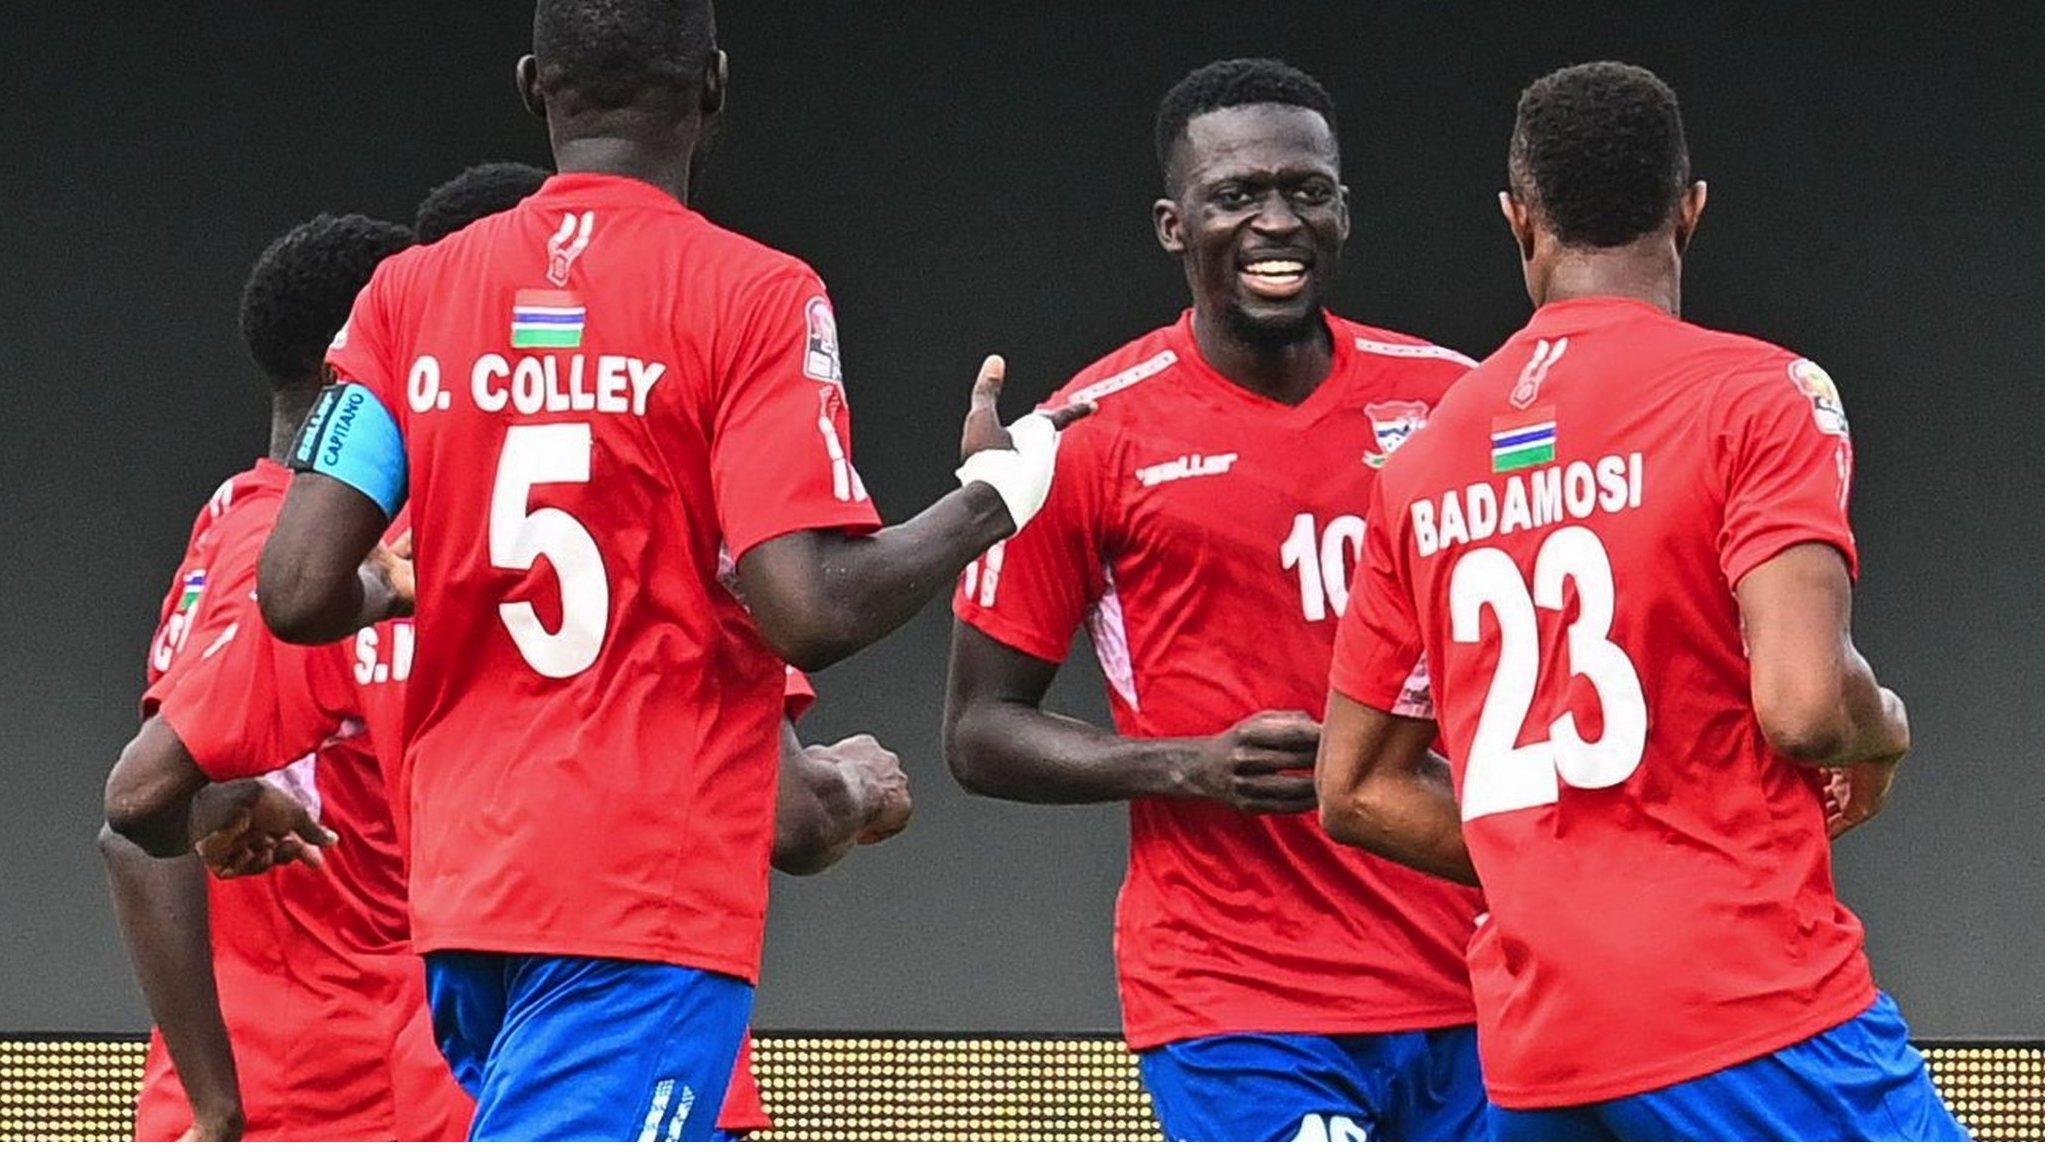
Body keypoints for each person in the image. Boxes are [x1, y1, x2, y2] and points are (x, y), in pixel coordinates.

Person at [235, 0, 1085, 1138]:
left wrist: (399, 583)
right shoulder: (754, 293)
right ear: (715, 88)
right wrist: (997, 497)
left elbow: (292, 592)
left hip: (464, 897)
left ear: (534, 85)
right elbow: (808, 608)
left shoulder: (403, 298)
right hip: (637, 898)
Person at [1313, 61, 1968, 1141]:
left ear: (1518, 223)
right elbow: (1803, 707)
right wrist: (1883, 729)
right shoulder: (1756, 396)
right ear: (1689, 209)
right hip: (1750, 1014)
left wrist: (1569, 867)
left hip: (1540, 1044)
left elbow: (1353, 788)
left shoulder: (1420, 462)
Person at [944, 59, 1487, 1142]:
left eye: (1306, 191)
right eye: (1235, 197)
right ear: (1171, 223)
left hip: (1478, 976)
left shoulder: (1457, 402)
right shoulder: (1088, 433)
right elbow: (976, 734)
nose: (1275, 223)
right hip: (1239, 995)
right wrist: (1186, 765)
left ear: (1342, 208)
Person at [99, 212, 469, 1141]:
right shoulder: (316, 559)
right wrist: (220, 1110)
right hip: (347, 1092)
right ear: (357, 356)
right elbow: (135, 826)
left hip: (329, 1079)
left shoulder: (239, 516)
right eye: (412, 328)